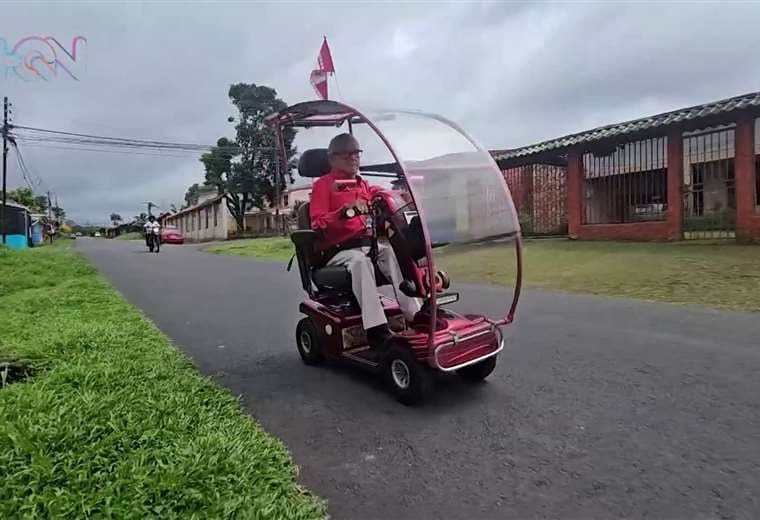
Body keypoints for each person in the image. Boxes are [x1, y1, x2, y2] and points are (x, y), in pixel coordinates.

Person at [310, 133, 422, 350]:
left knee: (391, 253)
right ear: (333, 158)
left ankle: (415, 314)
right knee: (360, 262)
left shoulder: (362, 184)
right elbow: (317, 223)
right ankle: (376, 329)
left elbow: (383, 195)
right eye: (347, 154)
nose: (354, 158)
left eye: (357, 153)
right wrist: (341, 213)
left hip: (367, 245)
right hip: (336, 251)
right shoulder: (323, 186)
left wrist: (402, 196)